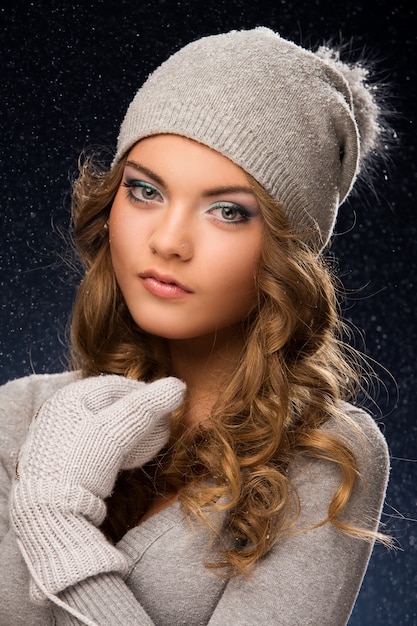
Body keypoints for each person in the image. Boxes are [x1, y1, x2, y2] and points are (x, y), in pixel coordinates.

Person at [0, 27, 391, 625]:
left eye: (228, 211)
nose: (167, 241)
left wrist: (56, 522)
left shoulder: (323, 457)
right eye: (145, 190)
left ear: (287, 253)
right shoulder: (17, 419)